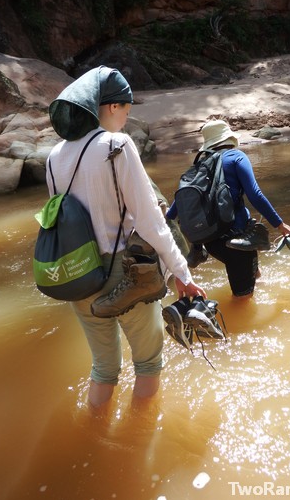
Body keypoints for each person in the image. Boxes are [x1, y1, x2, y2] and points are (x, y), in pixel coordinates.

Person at [47, 65, 206, 409]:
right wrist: (182, 272)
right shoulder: (116, 146)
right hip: (126, 273)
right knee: (148, 363)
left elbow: (58, 219)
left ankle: (95, 440)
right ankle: (136, 451)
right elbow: (150, 221)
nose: (126, 118)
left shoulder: (54, 157)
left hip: (79, 273)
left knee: (103, 368)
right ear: (111, 106)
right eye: (126, 110)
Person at [167, 119, 290, 299]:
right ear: (228, 139)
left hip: (211, 242)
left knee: (254, 276)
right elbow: (255, 194)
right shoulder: (236, 157)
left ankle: (256, 280)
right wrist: (280, 224)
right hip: (238, 241)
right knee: (243, 301)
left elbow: (174, 211)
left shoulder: (199, 167)